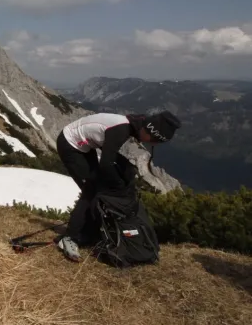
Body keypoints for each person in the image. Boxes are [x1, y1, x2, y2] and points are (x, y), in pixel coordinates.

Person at [55, 110, 181, 262]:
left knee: (99, 187)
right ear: (149, 130)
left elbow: (108, 152)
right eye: (154, 140)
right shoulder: (121, 130)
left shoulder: (133, 125)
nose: (152, 144)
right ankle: (70, 238)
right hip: (70, 145)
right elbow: (106, 163)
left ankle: (87, 231)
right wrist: (118, 185)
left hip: (85, 145)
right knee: (90, 190)